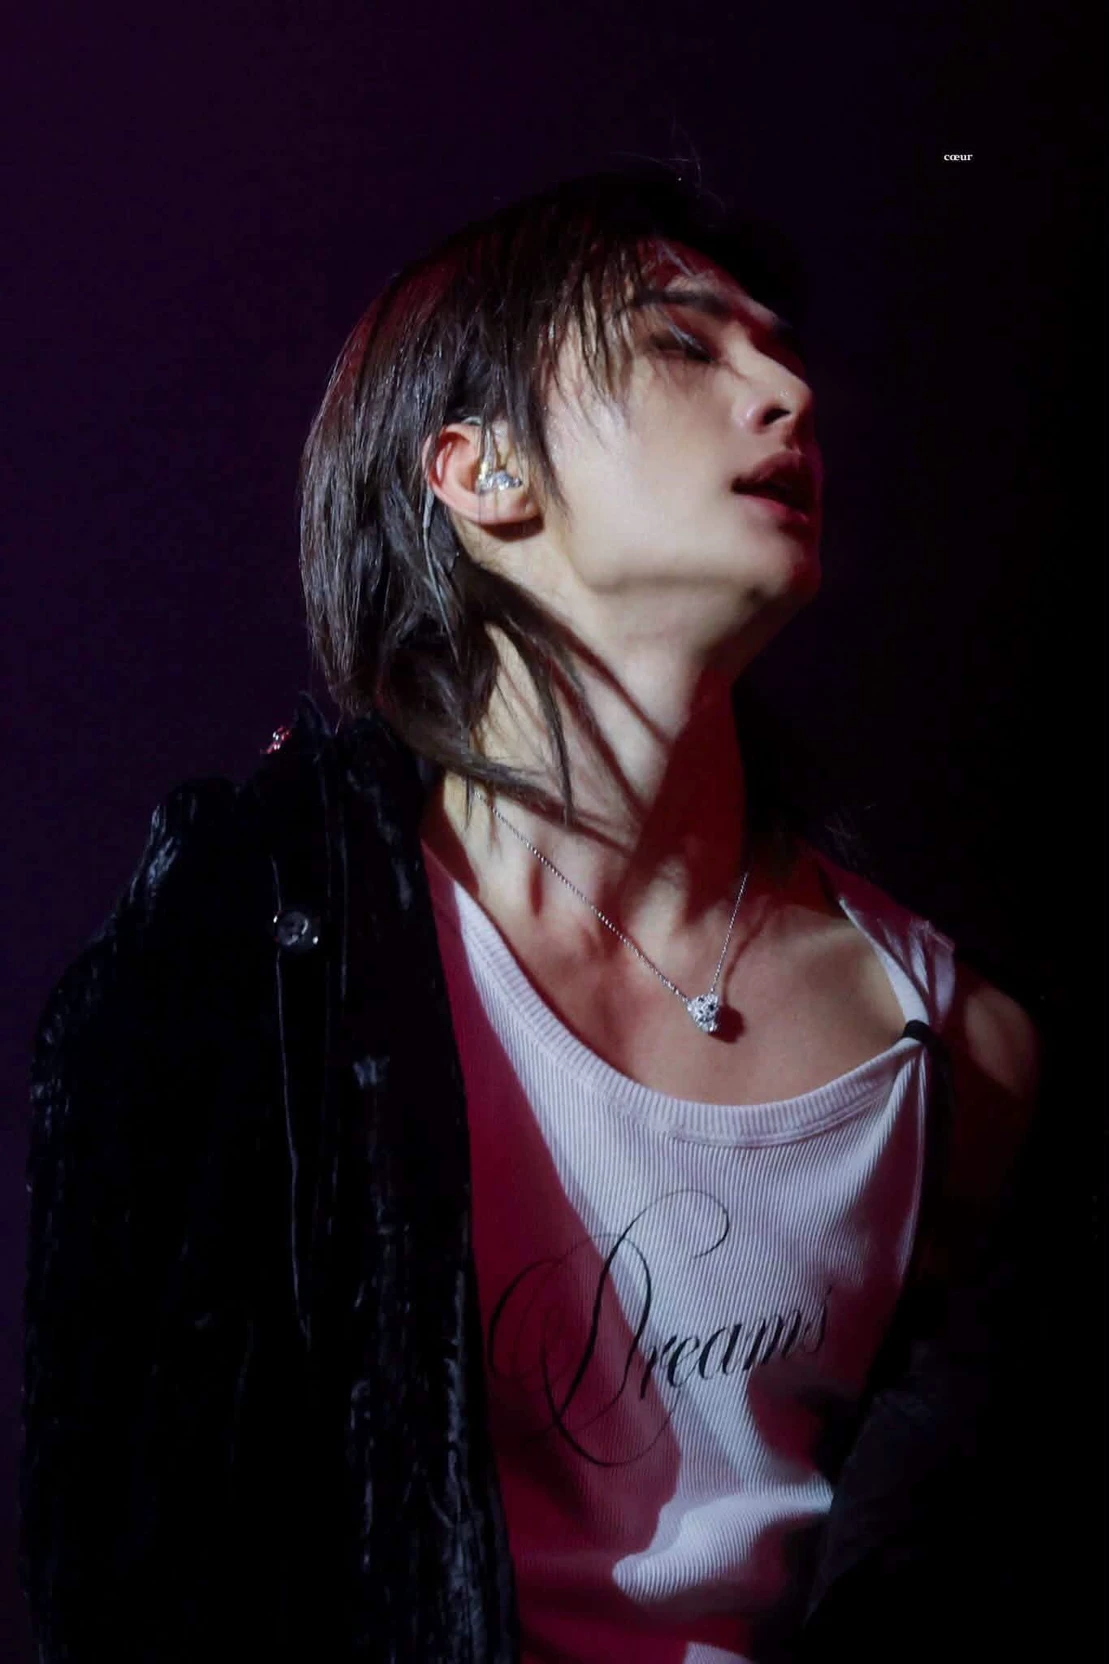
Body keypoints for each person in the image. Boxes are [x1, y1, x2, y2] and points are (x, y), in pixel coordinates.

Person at [21, 169, 1046, 1663]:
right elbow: (131, 1549)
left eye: (782, 349)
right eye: (682, 343)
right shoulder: (259, 959)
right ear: (483, 471)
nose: (789, 392)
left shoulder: (957, 1048)